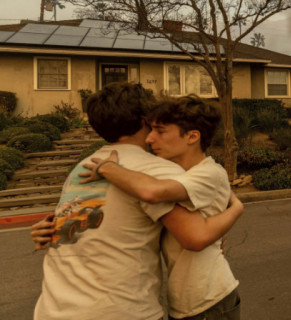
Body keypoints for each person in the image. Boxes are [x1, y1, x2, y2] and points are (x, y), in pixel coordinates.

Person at [30, 82, 240, 320]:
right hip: (117, 310)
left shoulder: (82, 168)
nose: (153, 136)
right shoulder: (154, 170)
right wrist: (236, 209)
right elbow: (196, 235)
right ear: (145, 120)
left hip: (53, 309)